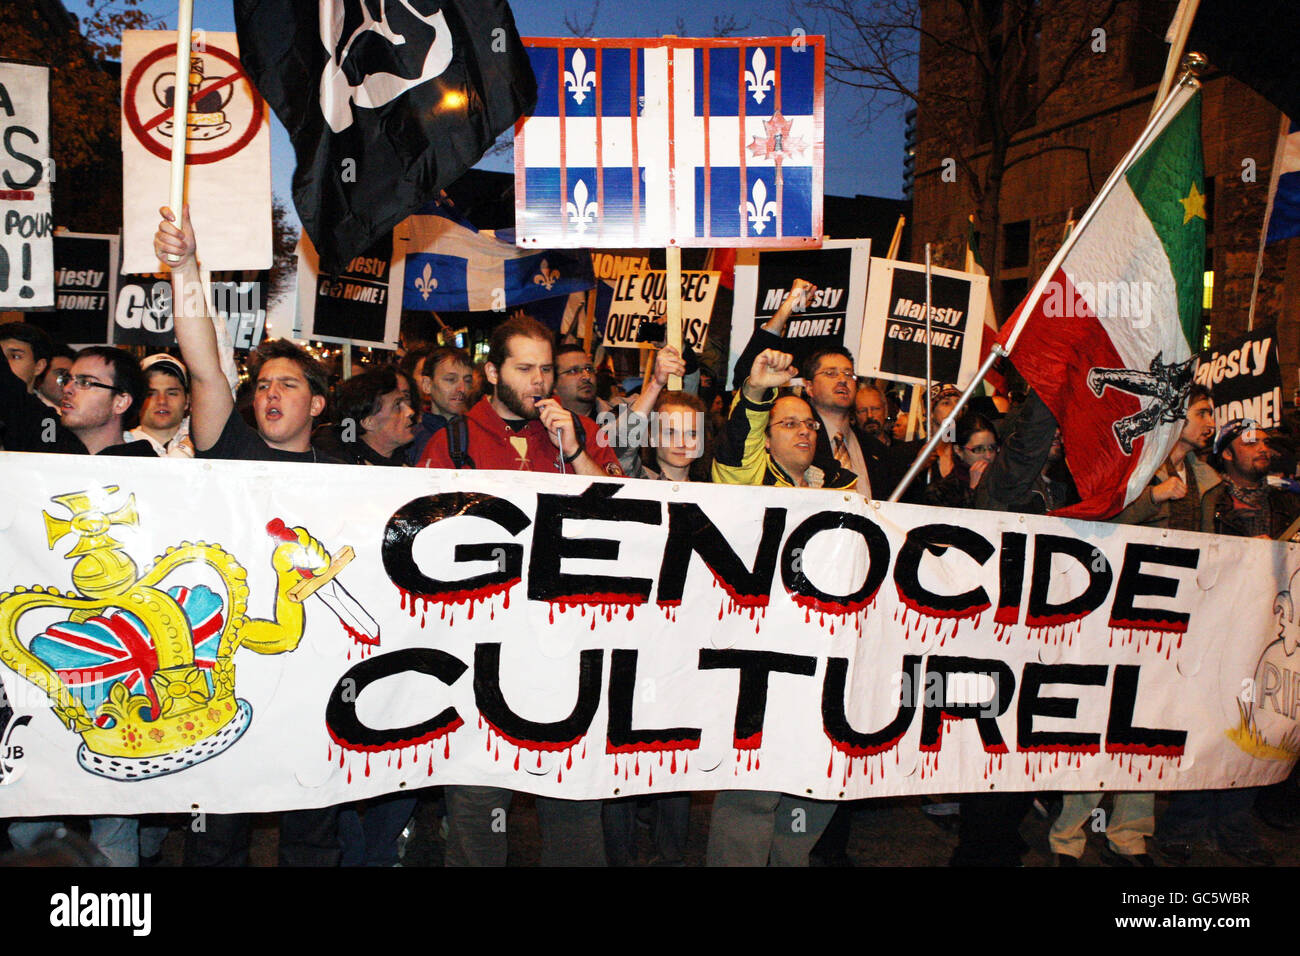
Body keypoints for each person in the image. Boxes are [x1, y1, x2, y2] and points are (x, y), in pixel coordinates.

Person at [157, 205, 344, 865]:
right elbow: (205, 367)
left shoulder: (350, 477)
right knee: (217, 835)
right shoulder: (230, 445)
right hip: (225, 673)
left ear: (317, 405)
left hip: (309, 683)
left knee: (312, 832)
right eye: (263, 384)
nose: (270, 394)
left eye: (288, 384)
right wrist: (184, 269)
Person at [417, 313, 621, 866]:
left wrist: (576, 450)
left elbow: (615, 520)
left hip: (564, 651)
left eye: (546, 369)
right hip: (479, 656)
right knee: (479, 808)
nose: (539, 381)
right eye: (524, 368)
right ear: (491, 371)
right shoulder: (452, 439)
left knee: (575, 803)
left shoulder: (575, 434)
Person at [1050, 385, 1217, 868]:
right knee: (1104, 725)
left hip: (1173, 621)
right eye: (1203, 412)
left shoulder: (1207, 479)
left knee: (1150, 729)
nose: (1211, 421)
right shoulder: (1134, 462)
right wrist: (1153, 498)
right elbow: (1100, 522)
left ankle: (1130, 835)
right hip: (1122, 617)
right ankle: (1068, 837)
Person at [706, 348, 846, 866]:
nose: (804, 431)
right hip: (763, 661)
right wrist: (758, 394)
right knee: (755, 790)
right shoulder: (748, 481)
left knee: (817, 782)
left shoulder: (841, 492)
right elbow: (737, 447)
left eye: (809, 424)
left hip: (825, 658)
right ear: (767, 438)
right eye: (788, 424)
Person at [316, 366, 416, 466]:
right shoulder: (337, 468)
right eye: (397, 405)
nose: (410, 412)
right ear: (369, 422)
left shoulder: (405, 461)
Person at [403, 345, 473, 464]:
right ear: (427, 385)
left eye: (467, 381)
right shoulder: (410, 440)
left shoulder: (480, 435)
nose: (462, 388)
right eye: (451, 379)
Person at [124, 353, 195, 457]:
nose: (162, 401)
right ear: (136, 401)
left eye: (172, 393)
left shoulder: (206, 441)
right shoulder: (122, 446)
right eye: (151, 394)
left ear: (187, 400)